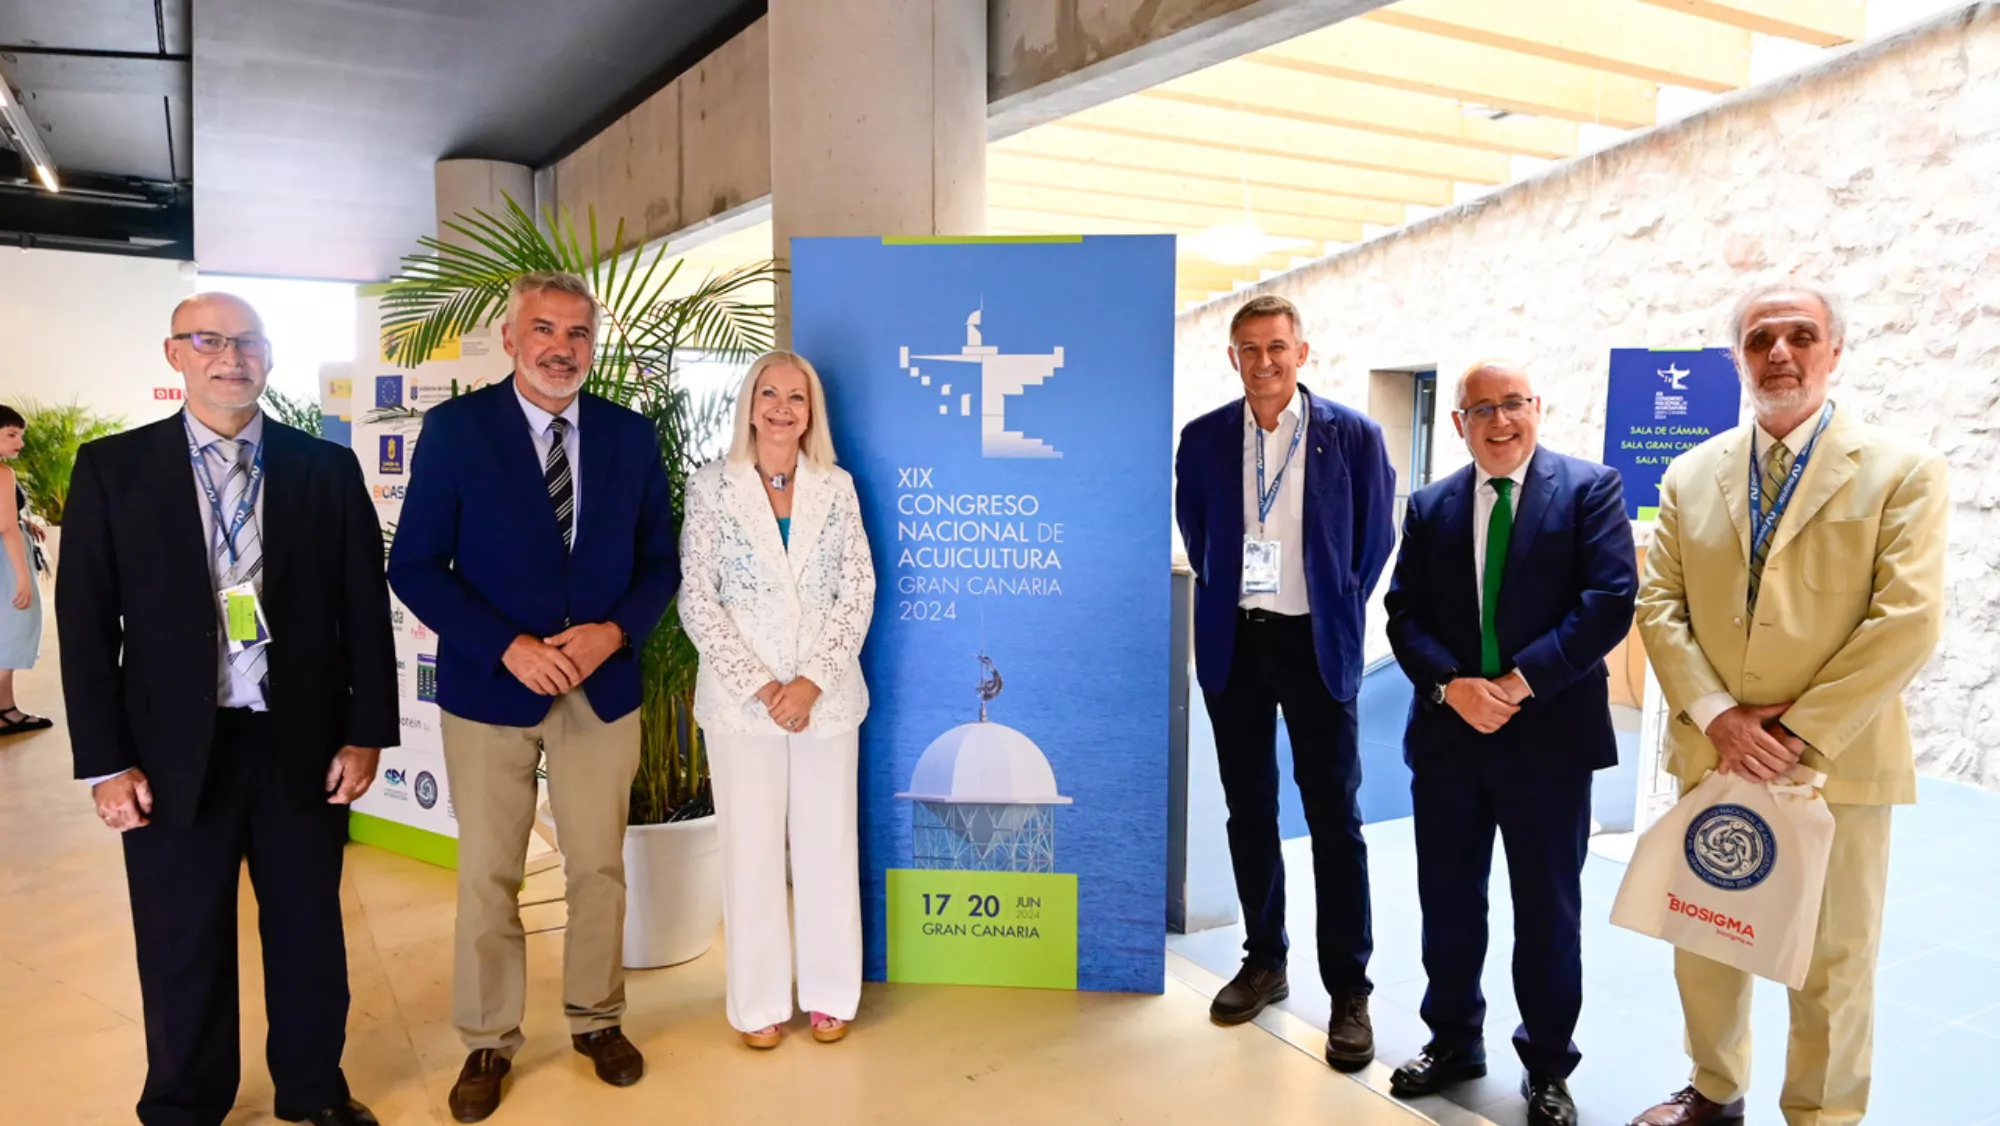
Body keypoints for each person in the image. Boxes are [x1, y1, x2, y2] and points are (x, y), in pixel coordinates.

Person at [57, 293, 398, 1126]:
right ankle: (184, 1102)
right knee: (181, 939)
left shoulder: (324, 469)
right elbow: (85, 624)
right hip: (170, 751)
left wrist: (366, 734)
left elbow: (363, 608)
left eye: (247, 342)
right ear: (174, 355)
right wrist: (105, 762)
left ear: (268, 356)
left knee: (309, 932)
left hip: (300, 743)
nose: (230, 357)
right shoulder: (113, 468)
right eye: (208, 340)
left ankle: (312, 1090)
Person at [1629, 284, 1947, 1126]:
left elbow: (1907, 619)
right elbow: (1659, 604)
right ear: (1737, 358)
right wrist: (1717, 715)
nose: (1779, 352)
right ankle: (1713, 1089)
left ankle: (1822, 1116)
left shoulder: (1902, 471)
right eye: (1759, 337)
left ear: (1834, 351)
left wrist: (1795, 733)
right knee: (1705, 932)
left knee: (1834, 959)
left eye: (1801, 335)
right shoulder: (1690, 474)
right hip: (1714, 751)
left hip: (1836, 761)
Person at [387, 270, 680, 1123]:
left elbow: (660, 562)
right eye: (544, 330)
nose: (561, 348)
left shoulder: (630, 436)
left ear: (594, 345)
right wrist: (507, 645)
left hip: (601, 687)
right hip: (491, 687)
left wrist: (614, 632)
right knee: (489, 874)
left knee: (597, 867)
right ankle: (488, 1037)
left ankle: (597, 1019)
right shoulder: (455, 431)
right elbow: (414, 566)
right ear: (512, 339)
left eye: (578, 333)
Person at [1383, 361, 1637, 1126]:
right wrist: (1451, 685)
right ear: (1458, 423)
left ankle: (1549, 1066)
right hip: (1451, 739)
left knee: (1548, 912)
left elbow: (1608, 602)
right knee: (1448, 903)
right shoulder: (1431, 506)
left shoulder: (1590, 489)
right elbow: (1404, 612)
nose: (1500, 421)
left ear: (1537, 408)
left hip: (1549, 741)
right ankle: (1453, 1040)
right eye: (1482, 408)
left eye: (1513, 404)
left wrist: (1521, 684)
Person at [1173, 293, 1397, 1070]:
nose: (1263, 361)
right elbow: (1198, 531)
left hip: (1316, 644)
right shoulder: (1203, 438)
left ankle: (1349, 992)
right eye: (1249, 348)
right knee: (1249, 810)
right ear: (1233, 358)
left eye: (1276, 347)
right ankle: (1265, 959)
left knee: (1335, 819)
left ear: (1302, 353)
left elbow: (1374, 539)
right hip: (1236, 641)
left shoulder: (1353, 435)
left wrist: (1334, 603)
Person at [679, 350, 875, 1050]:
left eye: (797, 396)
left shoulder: (837, 488)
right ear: (750, 405)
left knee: (828, 849)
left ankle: (830, 993)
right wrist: (766, 688)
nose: (782, 408)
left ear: (811, 411)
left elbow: (858, 591)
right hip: (743, 706)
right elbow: (697, 599)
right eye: (769, 394)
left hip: (827, 700)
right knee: (751, 853)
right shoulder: (712, 487)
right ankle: (758, 1003)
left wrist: (811, 682)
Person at [0, 405, 51, 734]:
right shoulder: (3, 473)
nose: (20, 443)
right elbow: (5, 528)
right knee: (15, 631)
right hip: (6, 561)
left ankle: (6, 710)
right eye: (12, 435)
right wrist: (22, 578)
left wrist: (24, 522)